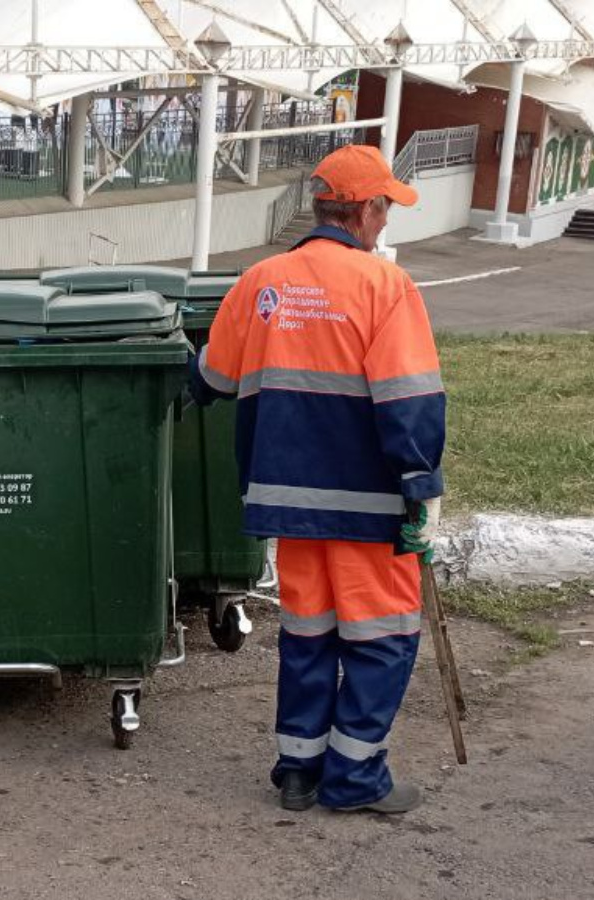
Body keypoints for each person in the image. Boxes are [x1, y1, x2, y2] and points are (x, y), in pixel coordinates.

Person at [189, 144, 445, 816]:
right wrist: (421, 482)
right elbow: (407, 397)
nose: (386, 222)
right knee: (382, 638)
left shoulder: (261, 281)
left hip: (289, 503)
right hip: (368, 504)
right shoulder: (386, 287)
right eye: (384, 208)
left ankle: (299, 771)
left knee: (309, 637)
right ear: (363, 210)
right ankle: (356, 778)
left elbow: (212, 378)